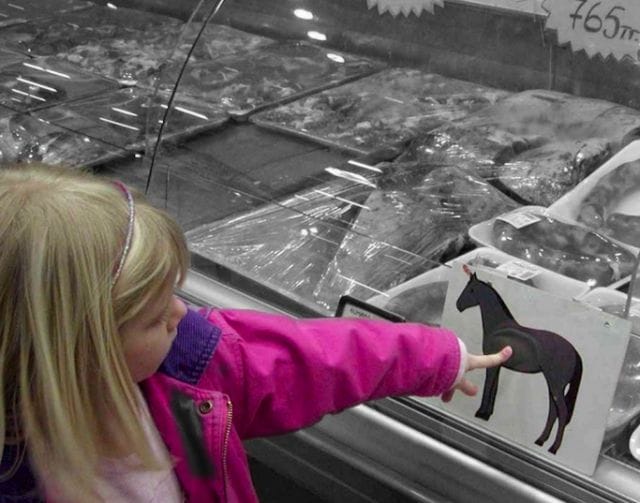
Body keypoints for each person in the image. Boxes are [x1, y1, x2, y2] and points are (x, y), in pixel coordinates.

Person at [0, 163, 511, 502]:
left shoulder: (190, 363)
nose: (181, 313)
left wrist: (436, 354)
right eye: (154, 316)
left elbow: (316, 357)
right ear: (76, 352)